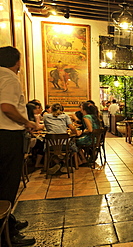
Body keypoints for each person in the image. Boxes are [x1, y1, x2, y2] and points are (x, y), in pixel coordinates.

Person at [0, 46, 36, 246]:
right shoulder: (10, 77)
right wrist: (27, 122)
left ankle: (9, 223)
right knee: (7, 185)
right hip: (7, 136)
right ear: (16, 62)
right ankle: (7, 236)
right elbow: (7, 107)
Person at [44, 103, 82, 174]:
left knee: (46, 148)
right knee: (73, 147)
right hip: (64, 145)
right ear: (62, 110)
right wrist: (76, 132)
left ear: (51, 109)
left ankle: (57, 163)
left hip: (50, 145)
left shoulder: (46, 116)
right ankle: (64, 164)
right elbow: (72, 127)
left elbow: (46, 127)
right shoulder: (65, 116)